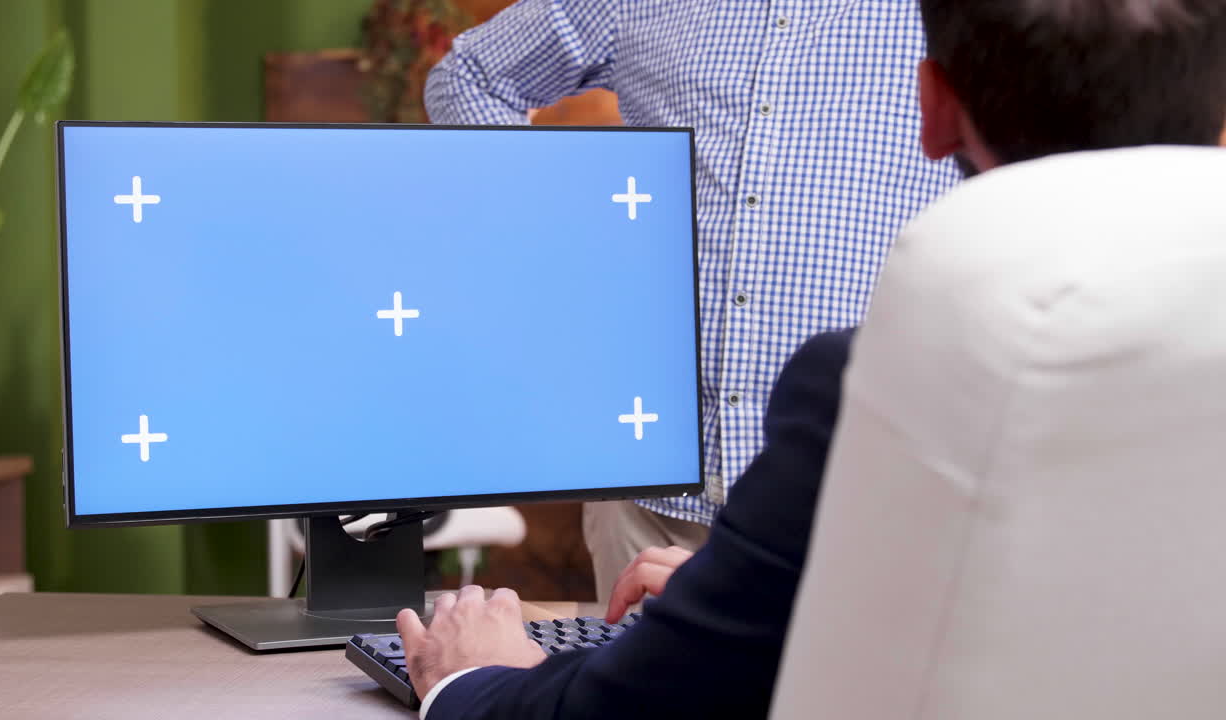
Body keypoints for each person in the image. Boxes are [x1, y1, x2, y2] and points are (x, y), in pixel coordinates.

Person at [401, 0, 1226, 718]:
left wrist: (471, 683)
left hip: (874, 482)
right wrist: (565, 237)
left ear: (935, 108)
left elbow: (622, 706)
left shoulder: (856, 388)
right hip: (671, 494)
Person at [424, 0, 959, 601]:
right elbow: (470, 77)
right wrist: (558, 234)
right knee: (627, 669)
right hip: (648, 500)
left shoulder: (957, 16)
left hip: (854, 502)